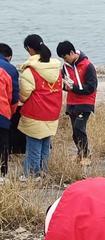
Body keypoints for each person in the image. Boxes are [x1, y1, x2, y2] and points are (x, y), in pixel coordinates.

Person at [18, 34, 62, 180]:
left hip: (35, 113)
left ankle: (32, 174)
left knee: (33, 147)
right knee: (44, 145)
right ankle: (43, 172)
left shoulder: (30, 70)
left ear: (29, 49)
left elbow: (24, 94)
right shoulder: (56, 67)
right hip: (52, 112)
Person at [56, 41, 97, 164]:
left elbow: (91, 87)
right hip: (72, 103)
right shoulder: (65, 67)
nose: (65, 60)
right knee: (75, 132)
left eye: (65, 57)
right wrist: (66, 86)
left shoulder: (88, 65)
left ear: (72, 53)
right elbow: (63, 84)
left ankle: (85, 156)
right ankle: (80, 154)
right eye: (62, 58)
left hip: (85, 103)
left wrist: (74, 88)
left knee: (79, 128)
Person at [0, 43, 19, 183]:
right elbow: (13, 97)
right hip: (2, 113)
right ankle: (2, 174)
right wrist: (11, 114)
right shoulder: (9, 70)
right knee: (3, 145)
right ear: (9, 56)